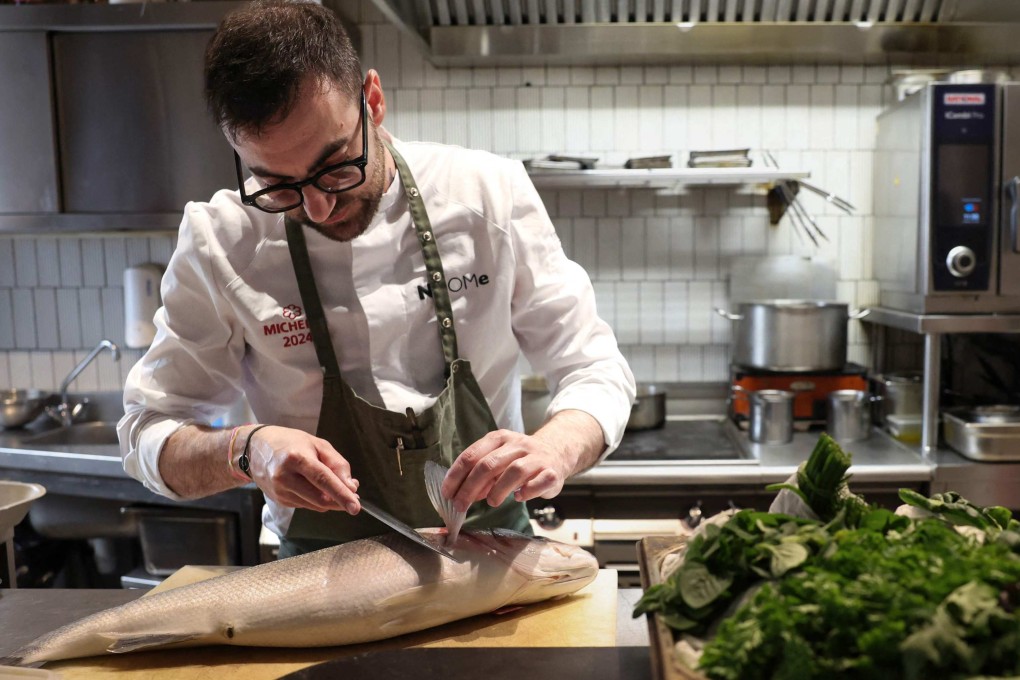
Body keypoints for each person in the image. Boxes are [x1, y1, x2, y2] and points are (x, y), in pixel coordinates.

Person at [118, 0, 636, 557]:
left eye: (338, 165)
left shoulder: (488, 194)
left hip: (490, 560)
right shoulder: (221, 239)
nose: (317, 207)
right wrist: (247, 450)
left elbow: (594, 368)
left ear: (373, 100)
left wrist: (554, 449)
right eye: (277, 185)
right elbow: (147, 431)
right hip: (320, 576)